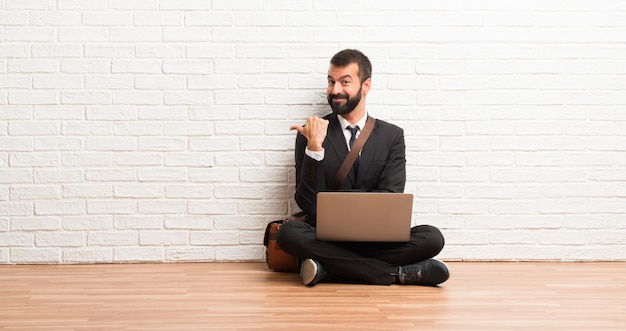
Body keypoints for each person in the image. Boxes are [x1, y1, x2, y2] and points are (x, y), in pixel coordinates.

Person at [276, 49, 449, 287]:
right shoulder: (311, 131)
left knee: (432, 237)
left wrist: (339, 203)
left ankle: (328, 268)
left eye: (345, 82)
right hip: (327, 237)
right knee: (289, 233)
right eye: (331, 81)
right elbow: (307, 203)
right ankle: (395, 274)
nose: (335, 90)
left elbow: (391, 195)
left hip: (375, 238)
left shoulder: (392, 135)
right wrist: (314, 147)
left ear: (365, 85)